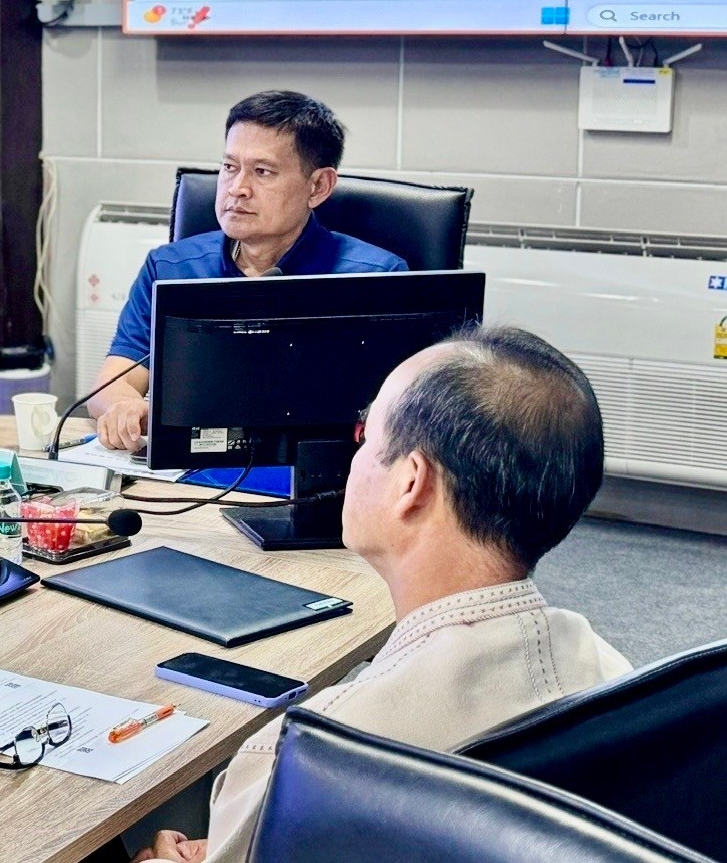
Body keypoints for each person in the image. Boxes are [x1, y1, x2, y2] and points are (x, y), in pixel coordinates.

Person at [132, 326, 629, 863]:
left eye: (365, 436)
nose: (355, 456)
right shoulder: (624, 685)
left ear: (411, 483)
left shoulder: (307, 761)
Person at [90, 90, 406, 452]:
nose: (237, 188)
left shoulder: (376, 279)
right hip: (192, 467)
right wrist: (123, 408)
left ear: (318, 186)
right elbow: (112, 383)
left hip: (319, 471)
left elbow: (403, 415)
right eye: (229, 167)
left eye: (262, 172)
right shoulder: (172, 267)